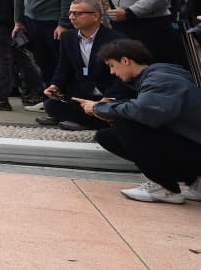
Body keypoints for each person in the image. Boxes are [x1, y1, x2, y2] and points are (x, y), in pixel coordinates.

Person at [81, 40, 201, 204]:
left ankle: (164, 188)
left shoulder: (160, 80)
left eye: (112, 66)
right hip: (192, 144)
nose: (112, 72)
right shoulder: (158, 75)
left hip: (195, 147)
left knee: (125, 121)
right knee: (107, 136)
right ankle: (196, 182)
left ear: (125, 60)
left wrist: (99, 108)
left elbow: (143, 112)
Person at [37, 0, 124, 129]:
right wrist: (56, 85)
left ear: (95, 16)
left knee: (112, 108)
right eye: (70, 13)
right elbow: (63, 66)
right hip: (81, 94)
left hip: (106, 95)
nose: (72, 17)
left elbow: (124, 75)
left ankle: (90, 120)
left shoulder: (116, 39)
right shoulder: (68, 37)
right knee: (50, 104)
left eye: (77, 13)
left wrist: (110, 97)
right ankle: (94, 120)